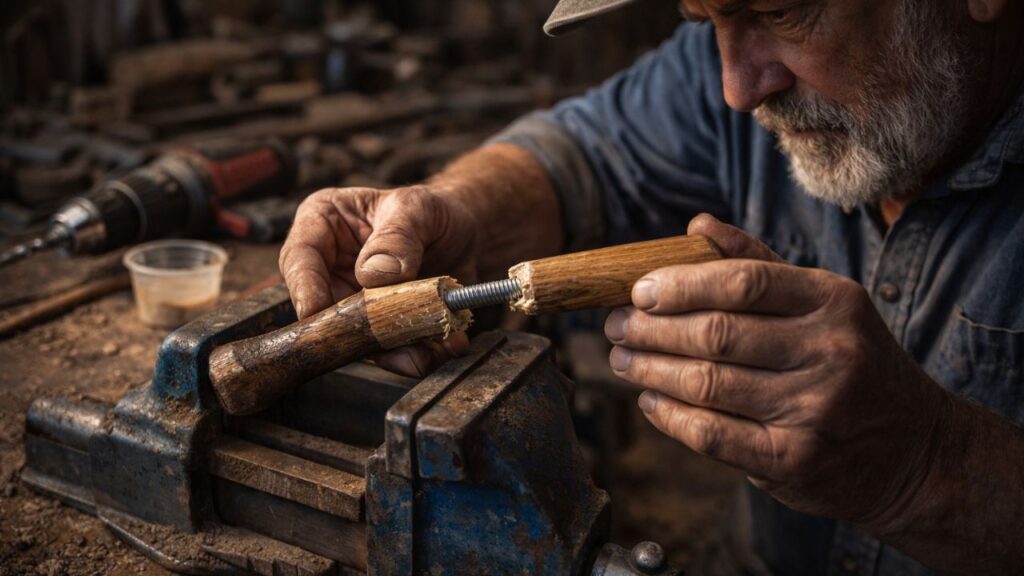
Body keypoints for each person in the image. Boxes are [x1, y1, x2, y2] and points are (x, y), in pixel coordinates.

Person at [278, 0, 1024, 573]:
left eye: (779, 10)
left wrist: (928, 466)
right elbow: (585, 153)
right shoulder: (727, 66)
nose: (738, 88)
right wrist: (462, 209)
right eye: (705, 17)